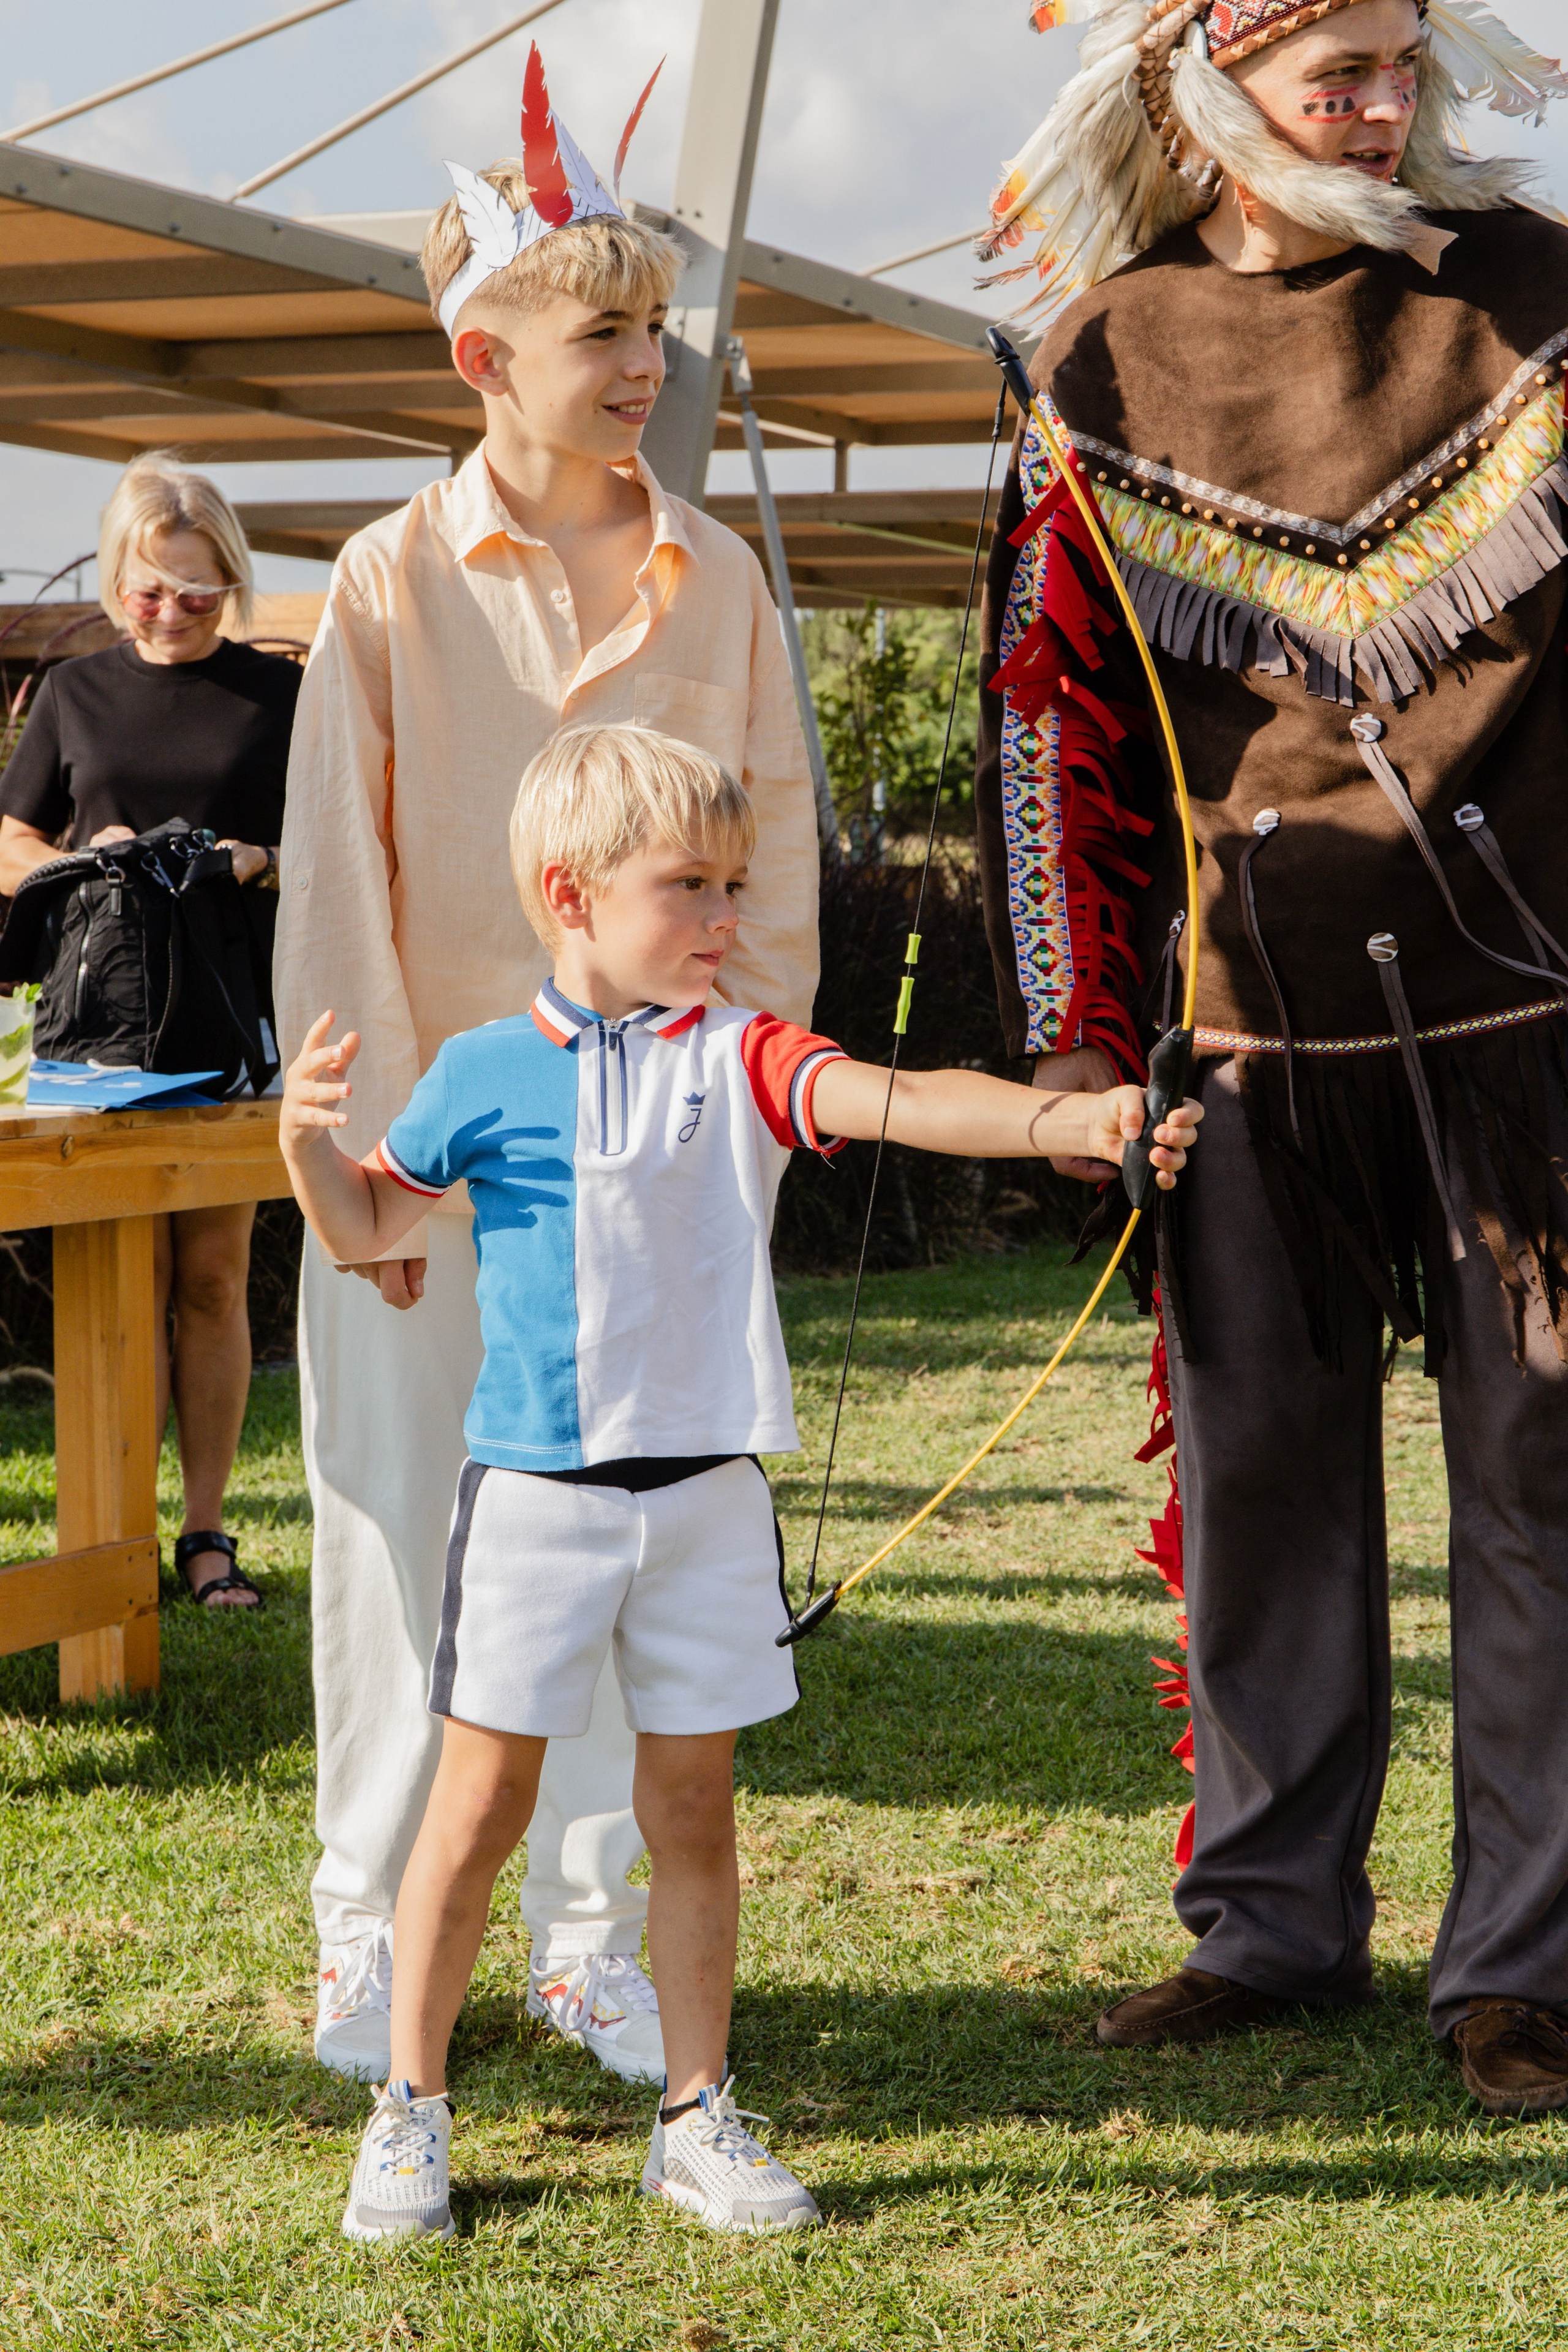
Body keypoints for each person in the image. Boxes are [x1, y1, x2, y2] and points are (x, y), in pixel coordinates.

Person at [277, 720, 1201, 2241]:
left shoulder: (746, 1050)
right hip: (534, 1505)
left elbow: (901, 1099)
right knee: (477, 1805)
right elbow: (365, 1227)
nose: (725, 919)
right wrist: (307, 1147)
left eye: (735, 885)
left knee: (689, 1809)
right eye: (689, 888)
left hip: (706, 1502)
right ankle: (412, 2108)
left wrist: (1069, 1120)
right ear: (571, 897)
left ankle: (694, 2114)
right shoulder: (482, 1072)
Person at [974, 0, 1568, 2116]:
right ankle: (1273, 1924)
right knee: (1264, 1484)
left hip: (1526, 1028)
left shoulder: (1528, 301)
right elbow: (1056, 728)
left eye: (1404, 66)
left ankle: (1525, 1966)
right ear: (1211, 97)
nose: (1383, 106)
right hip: (1245, 1033)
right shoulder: (1101, 358)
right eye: (1340, 73)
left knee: (1537, 1480)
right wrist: (1077, 1040)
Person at [272, 51, 822, 2089]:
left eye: (658, 330)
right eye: (608, 331)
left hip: (649, 1179)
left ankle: (593, 1942)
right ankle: (368, 1931)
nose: (648, 363)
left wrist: (737, 1138)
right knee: (404, 1530)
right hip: (438, 1157)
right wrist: (369, 1187)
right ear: (477, 353)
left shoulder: (728, 583)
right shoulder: (389, 583)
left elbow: (764, 894)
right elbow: (337, 883)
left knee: (620, 1550)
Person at [0, 453, 293, 1610]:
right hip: (96, 1026)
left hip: (226, 1018)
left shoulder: (282, 696)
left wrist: (252, 860)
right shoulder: (72, 693)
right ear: (118, 575)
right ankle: (108, 1531)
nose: (169, 614)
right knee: (109, 1283)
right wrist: (82, 863)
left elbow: (344, 842)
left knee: (212, 1280)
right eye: (147, 591)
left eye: (197, 594)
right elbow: (8, 840)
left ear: (232, 584)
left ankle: (207, 1533)